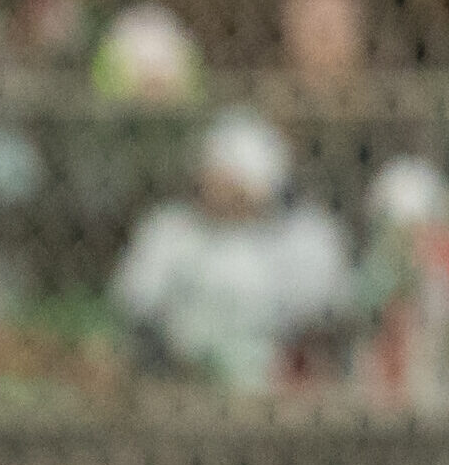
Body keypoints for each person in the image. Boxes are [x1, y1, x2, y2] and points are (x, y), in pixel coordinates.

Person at [110, 107, 352, 394]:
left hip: (281, 387)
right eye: (212, 171)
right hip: (184, 384)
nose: (216, 185)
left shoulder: (307, 237)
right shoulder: (169, 231)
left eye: (230, 175)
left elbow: (328, 319)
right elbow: (136, 307)